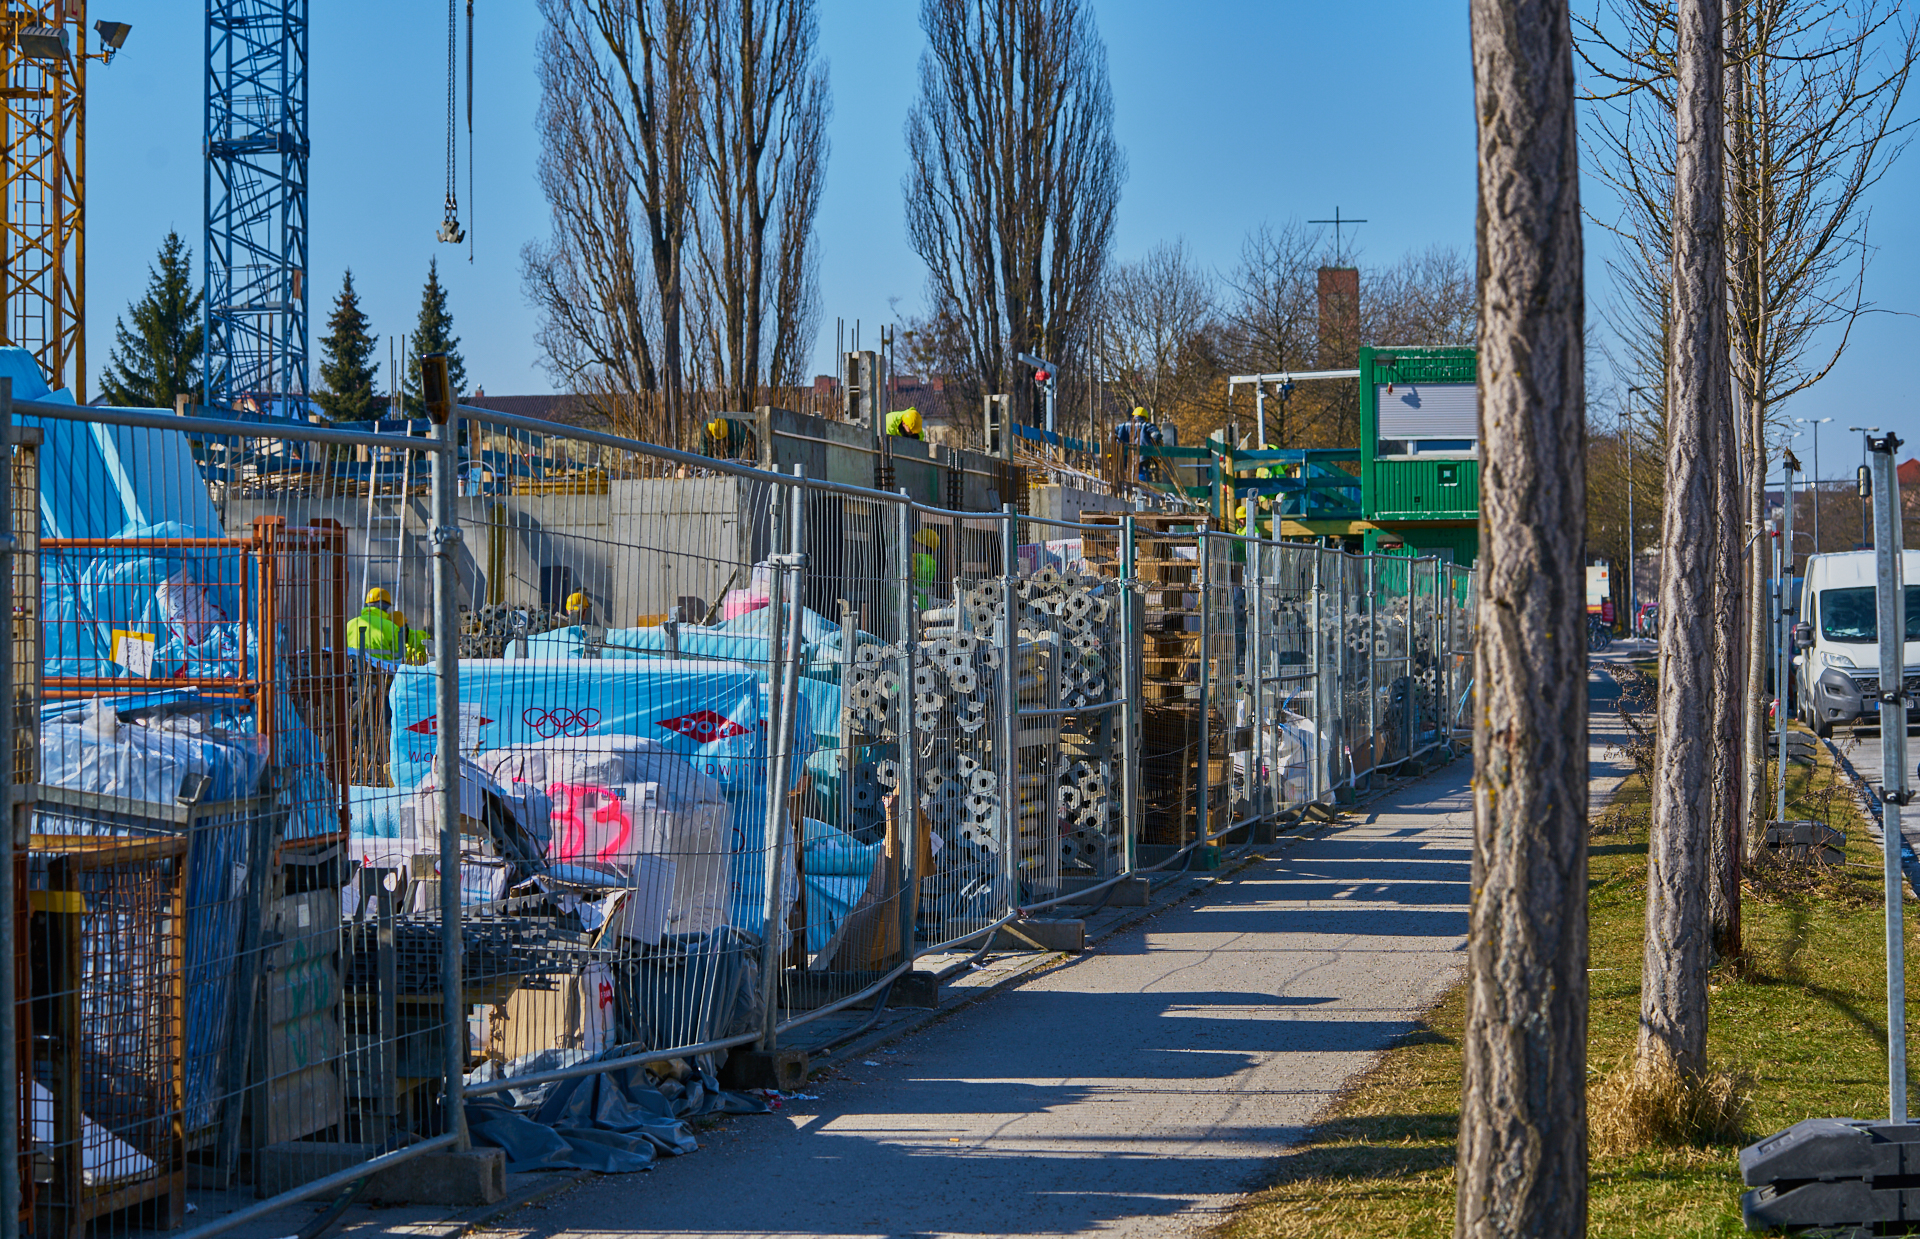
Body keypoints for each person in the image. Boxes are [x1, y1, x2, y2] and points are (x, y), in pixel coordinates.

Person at [346, 587, 402, 654]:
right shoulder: (392, 627)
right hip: (382, 664)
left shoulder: (350, 624)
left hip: (353, 664)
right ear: (386, 607)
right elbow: (399, 657)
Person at [911, 528, 940, 609]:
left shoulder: (915, 558)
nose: (912, 545)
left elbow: (908, 580)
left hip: (911, 603)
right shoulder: (931, 562)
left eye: (915, 543)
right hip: (922, 604)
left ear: (923, 546)